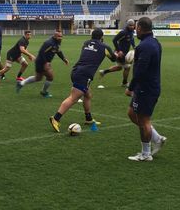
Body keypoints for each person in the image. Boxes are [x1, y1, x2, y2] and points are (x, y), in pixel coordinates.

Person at [49, 28, 116, 132]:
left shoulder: (86, 43)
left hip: (76, 71)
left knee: (88, 95)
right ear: (102, 37)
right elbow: (113, 59)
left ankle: (88, 118)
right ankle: (56, 118)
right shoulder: (105, 47)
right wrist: (118, 54)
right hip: (84, 75)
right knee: (73, 98)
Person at [125, 17, 166, 162]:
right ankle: (157, 138)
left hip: (146, 88)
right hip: (147, 86)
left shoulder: (145, 46)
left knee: (144, 121)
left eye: (136, 27)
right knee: (132, 113)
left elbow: (140, 71)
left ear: (140, 28)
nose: (135, 30)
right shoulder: (154, 42)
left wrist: (130, 88)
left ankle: (146, 154)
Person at [16, 30, 69, 98]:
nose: (60, 38)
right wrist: (45, 63)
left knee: (38, 78)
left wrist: (63, 59)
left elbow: (58, 50)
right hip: (41, 62)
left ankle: (21, 83)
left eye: (61, 36)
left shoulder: (57, 42)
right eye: (59, 36)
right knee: (50, 77)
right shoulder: (49, 43)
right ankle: (44, 92)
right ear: (54, 36)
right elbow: (41, 52)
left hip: (41, 62)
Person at [99, 19, 136, 87]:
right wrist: (119, 51)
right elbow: (114, 40)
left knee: (119, 67)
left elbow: (132, 39)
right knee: (127, 67)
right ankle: (124, 83)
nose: (132, 26)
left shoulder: (131, 32)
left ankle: (104, 72)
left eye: (133, 25)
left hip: (125, 52)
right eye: (130, 25)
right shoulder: (123, 32)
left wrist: (134, 46)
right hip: (120, 53)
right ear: (127, 25)